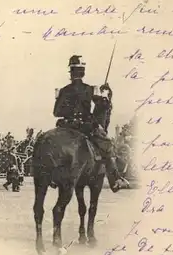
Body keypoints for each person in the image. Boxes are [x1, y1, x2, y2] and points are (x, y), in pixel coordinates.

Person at [53, 55, 129, 190]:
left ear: (70, 73)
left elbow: (56, 113)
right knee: (107, 144)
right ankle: (115, 179)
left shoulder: (64, 90)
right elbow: (102, 107)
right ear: (83, 72)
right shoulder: (90, 89)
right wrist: (106, 94)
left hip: (66, 126)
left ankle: (53, 176)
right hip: (84, 127)